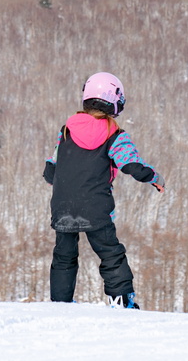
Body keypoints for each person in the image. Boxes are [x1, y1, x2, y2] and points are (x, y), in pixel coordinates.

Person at [44, 72, 163, 309]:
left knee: (64, 256)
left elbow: (50, 170)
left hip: (62, 205)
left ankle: (60, 303)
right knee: (110, 253)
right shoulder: (115, 135)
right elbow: (131, 165)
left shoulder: (67, 129)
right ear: (114, 102)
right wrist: (154, 177)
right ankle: (121, 301)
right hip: (96, 206)